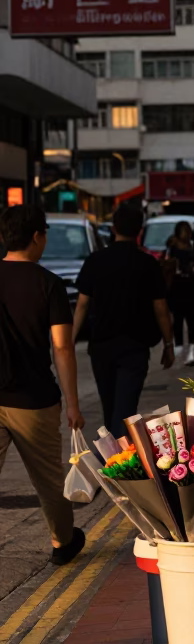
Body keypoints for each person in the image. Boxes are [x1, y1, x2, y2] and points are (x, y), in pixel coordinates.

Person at [0, 204, 85, 566]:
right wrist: (73, 404)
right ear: (37, 237)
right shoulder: (49, 284)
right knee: (49, 478)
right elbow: (62, 348)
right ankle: (62, 542)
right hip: (33, 400)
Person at [72, 205, 174, 438]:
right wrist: (168, 344)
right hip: (135, 347)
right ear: (139, 230)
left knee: (110, 408)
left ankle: (113, 459)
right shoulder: (147, 264)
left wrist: (68, 341)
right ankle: (119, 462)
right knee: (126, 410)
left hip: (101, 347)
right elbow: (161, 308)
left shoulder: (95, 261)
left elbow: (82, 305)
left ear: (114, 228)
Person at [165, 220, 194, 365]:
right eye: (183, 231)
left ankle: (191, 350)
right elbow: (167, 264)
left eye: (187, 231)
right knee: (178, 318)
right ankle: (179, 346)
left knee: (191, 318)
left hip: (190, 287)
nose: (185, 234)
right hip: (176, 287)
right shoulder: (172, 246)